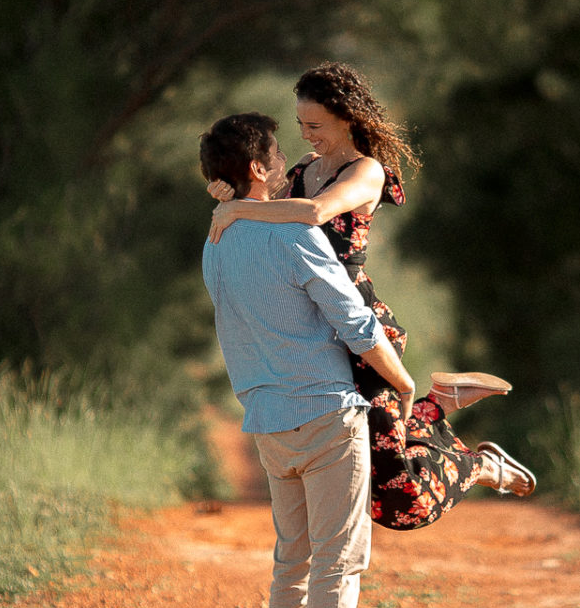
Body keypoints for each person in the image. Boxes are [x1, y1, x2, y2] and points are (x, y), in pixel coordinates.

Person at [206, 63, 535, 529]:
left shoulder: (366, 171)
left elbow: (316, 212)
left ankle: (479, 464)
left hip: (357, 320)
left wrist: (236, 207)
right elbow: (261, 197)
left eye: (315, 126)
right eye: (301, 125)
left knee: (400, 498)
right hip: (315, 323)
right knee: (379, 468)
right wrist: (225, 190)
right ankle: (440, 402)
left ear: (348, 118)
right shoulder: (301, 169)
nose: (307, 135)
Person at [199, 111, 420, 608]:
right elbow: (352, 320)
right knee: (337, 562)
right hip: (325, 410)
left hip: (267, 418)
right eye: (276, 157)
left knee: (291, 563)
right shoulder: (289, 234)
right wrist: (401, 381)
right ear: (258, 170)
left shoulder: (215, 242)